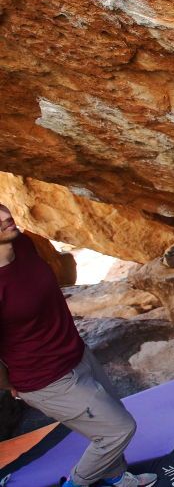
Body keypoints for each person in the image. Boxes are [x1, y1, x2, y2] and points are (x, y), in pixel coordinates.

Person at [0, 204, 157, 487]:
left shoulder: (22, 243)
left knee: (110, 420)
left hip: (77, 354)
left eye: (1, 208)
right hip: (46, 380)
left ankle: (116, 477)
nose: (4, 216)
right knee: (117, 430)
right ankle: (77, 483)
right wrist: (9, 382)